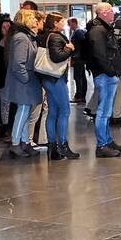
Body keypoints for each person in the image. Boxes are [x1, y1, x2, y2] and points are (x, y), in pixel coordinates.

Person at [38, 13, 79, 160]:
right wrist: (70, 48)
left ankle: (52, 147)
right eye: (61, 21)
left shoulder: (44, 36)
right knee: (64, 110)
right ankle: (62, 145)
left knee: (53, 111)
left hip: (47, 77)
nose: (64, 23)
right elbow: (57, 57)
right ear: (55, 23)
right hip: (55, 78)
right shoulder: (55, 37)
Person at [85, 3, 121, 158]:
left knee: (105, 111)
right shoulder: (98, 30)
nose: (113, 14)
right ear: (103, 13)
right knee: (103, 111)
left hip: (105, 74)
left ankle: (107, 141)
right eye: (111, 11)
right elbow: (99, 54)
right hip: (104, 75)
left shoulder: (101, 29)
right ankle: (102, 144)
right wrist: (110, 71)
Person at [5, 9, 43, 158]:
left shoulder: (26, 36)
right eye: (33, 18)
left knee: (25, 113)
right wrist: (26, 79)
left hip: (25, 80)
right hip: (23, 81)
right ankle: (16, 143)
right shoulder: (22, 38)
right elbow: (17, 63)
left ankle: (24, 141)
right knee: (23, 112)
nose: (36, 20)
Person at [68, 17, 89, 103]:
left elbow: (83, 43)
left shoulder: (78, 32)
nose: (69, 26)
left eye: (69, 23)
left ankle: (79, 96)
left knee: (78, 77)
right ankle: (81, 96)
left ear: (74, 23)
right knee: (81, 77)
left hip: (78, 58)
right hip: (79, 57)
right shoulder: (78, 32)